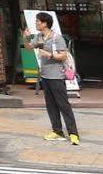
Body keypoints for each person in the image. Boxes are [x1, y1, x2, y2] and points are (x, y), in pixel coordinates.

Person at [30, 12, 80, 145]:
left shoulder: (57, 38)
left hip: (57, 76)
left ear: (45, 23)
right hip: (45, 76)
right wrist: (25, 38)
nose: (36, 23)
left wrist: (49, 54)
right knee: (51, 105)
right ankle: (57, 131)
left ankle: (73, 133)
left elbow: (63, 56)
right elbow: (30, 47)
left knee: (63, 105)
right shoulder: (39, 37)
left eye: (37, 21)